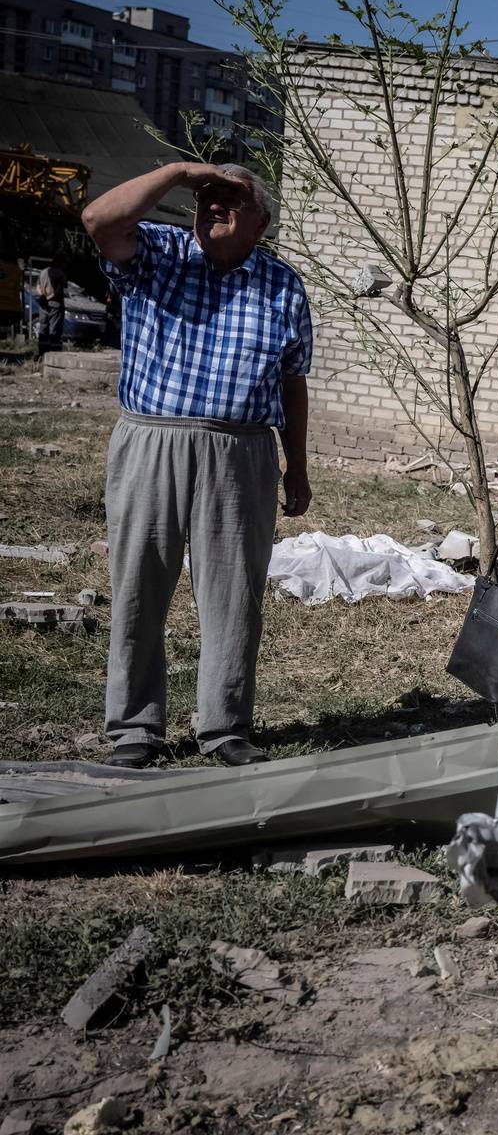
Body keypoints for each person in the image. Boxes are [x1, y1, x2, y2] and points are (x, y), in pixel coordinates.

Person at [80, 161, 313, 768]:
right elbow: (97, 218)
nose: (211, 206)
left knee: (235, 592)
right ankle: (133, 728)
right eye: (203, 197)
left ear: (261, 219)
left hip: (242, 448)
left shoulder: (283, 285)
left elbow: (293, 381)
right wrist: (182, 170)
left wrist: (298, 466)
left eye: (229, 198)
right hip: (152, 439)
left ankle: (225, 726)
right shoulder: (158, 253)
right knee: (139, 585)